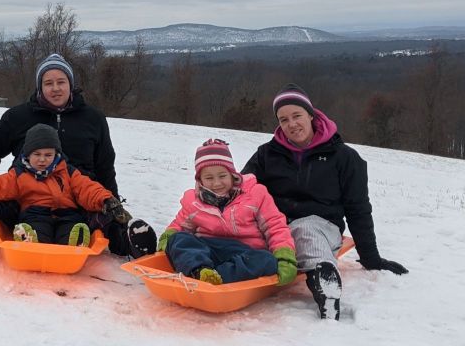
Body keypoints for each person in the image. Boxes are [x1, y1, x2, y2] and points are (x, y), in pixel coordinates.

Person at [0, 53, 157, 258]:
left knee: (106, 219)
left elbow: (105, 165)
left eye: (61, 82)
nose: (55, 88)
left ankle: (131, 241)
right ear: (40, 87)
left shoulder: (93, 118)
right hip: (26, 197)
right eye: (48, 83)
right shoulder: (17, 117)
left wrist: (111, 201)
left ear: (70, 84)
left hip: (79, 198)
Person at [242, 83, 408, 320]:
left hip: (321, 226)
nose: (291, 124)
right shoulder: (267, 154)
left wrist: (371, 258)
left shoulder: (344, 158)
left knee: (305, 231)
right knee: (250, 235)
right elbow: (243, 189)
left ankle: (324, 283)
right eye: (283, 119)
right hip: (276, 225)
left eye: (297, 115)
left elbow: (358, 209)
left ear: (311, 114)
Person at [0, 124, 132, 251]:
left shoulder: (68, 172)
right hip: (35, 215)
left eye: (48, 155)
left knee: (70, 229)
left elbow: (87, 189)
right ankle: (29, 239)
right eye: (37, 154)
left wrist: (106, 200)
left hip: (68, 214)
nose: (42, 160)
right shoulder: (19, 175)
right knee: (39, 232)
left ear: (56, 155)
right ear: (27, 155)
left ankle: (75, 242)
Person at [156, 139, 297, 286]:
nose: (217, 183)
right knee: (179, 238)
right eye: (209, 178)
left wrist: (284, 256)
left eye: (222, 176)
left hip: (245, 253)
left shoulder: (255, 194)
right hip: (207, 250)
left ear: (232, 174)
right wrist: (168, 240)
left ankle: (219, 277)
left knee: (266, 260)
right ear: (200, 180)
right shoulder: (194, 201)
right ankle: (200, 270)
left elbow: (275, 227)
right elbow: (180, 225)